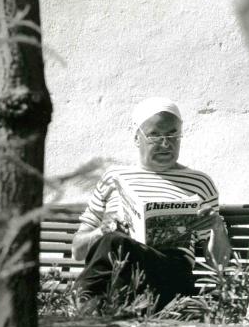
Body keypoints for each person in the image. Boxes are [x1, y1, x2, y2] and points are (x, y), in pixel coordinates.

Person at [72, 97, 231, 310]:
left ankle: (80, 311)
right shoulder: (114, 178)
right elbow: (78, 251)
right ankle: (97, 312)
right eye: (155, 135)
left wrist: (217, 228)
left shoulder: (199, 182)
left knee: (116, 243)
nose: (166, 143)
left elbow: (217, 264)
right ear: (137, 138)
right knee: (114, 242)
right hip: (119, 270)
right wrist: (101, 231)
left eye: (173, 133)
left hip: (170, 276)